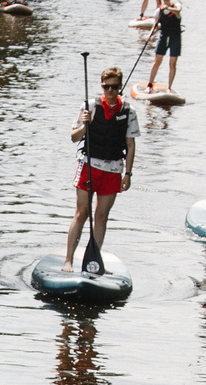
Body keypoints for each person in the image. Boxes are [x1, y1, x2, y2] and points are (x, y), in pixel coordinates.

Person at [65, 68, 137, 271]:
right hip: (89, 166)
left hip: (114, 170)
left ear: (120, 87)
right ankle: (69, 260)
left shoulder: (129, 111)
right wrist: (85, 125)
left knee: (102, 216)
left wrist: (128, 174)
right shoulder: (90, 107)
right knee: (82, 213)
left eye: (115, 87)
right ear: (102, 86)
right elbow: (74, 137)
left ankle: (93, 261)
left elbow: (130, 145)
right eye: (107, 87)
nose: (111, 90)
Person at [146, 0, 182, 92]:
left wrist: (168, 8)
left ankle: (169, 88)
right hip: (163, 37)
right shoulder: (159, 11)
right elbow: (155, 25)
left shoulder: (176, 5)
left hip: (175, 38)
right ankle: (149, 85)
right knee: (157, 61)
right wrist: (150, 35)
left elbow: (178, 10)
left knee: (172, 64)